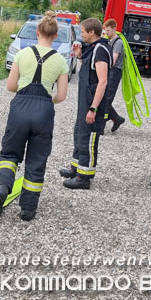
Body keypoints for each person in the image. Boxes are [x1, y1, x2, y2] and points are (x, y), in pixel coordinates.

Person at [0, 11, 69, 221]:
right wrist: (44, 102)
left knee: (9, 154)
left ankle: (2, 188)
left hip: (20, 107)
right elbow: (61, 96)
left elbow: (10, 86)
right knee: (36, 160)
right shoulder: (61, 60)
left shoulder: (22, 54)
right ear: (55, 34)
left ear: (38, 31)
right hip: (44, 110)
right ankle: (27, 209)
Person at [59, 18, 111, 190]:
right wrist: (80, 56)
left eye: (82, 32)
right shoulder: (93, 49)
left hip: (92, 103)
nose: (81, 35)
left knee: (88, 137)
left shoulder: (101, 50)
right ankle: (76, 167)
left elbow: (102, 81)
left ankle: (84, 177)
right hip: (85, 100)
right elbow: (91, 73)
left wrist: (93, 108)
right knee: (79, 132)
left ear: (92, 32)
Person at [102, 19, 126, 132]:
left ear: (114, 29)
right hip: (109, 71)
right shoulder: (110, 41)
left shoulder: (118, 43)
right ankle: (116, 118)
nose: (106, 32)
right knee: (104, 97)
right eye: (105, 30)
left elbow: (113, 60)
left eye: (108, 30)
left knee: (107, 98)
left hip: (114, 72)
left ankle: (102, 124)